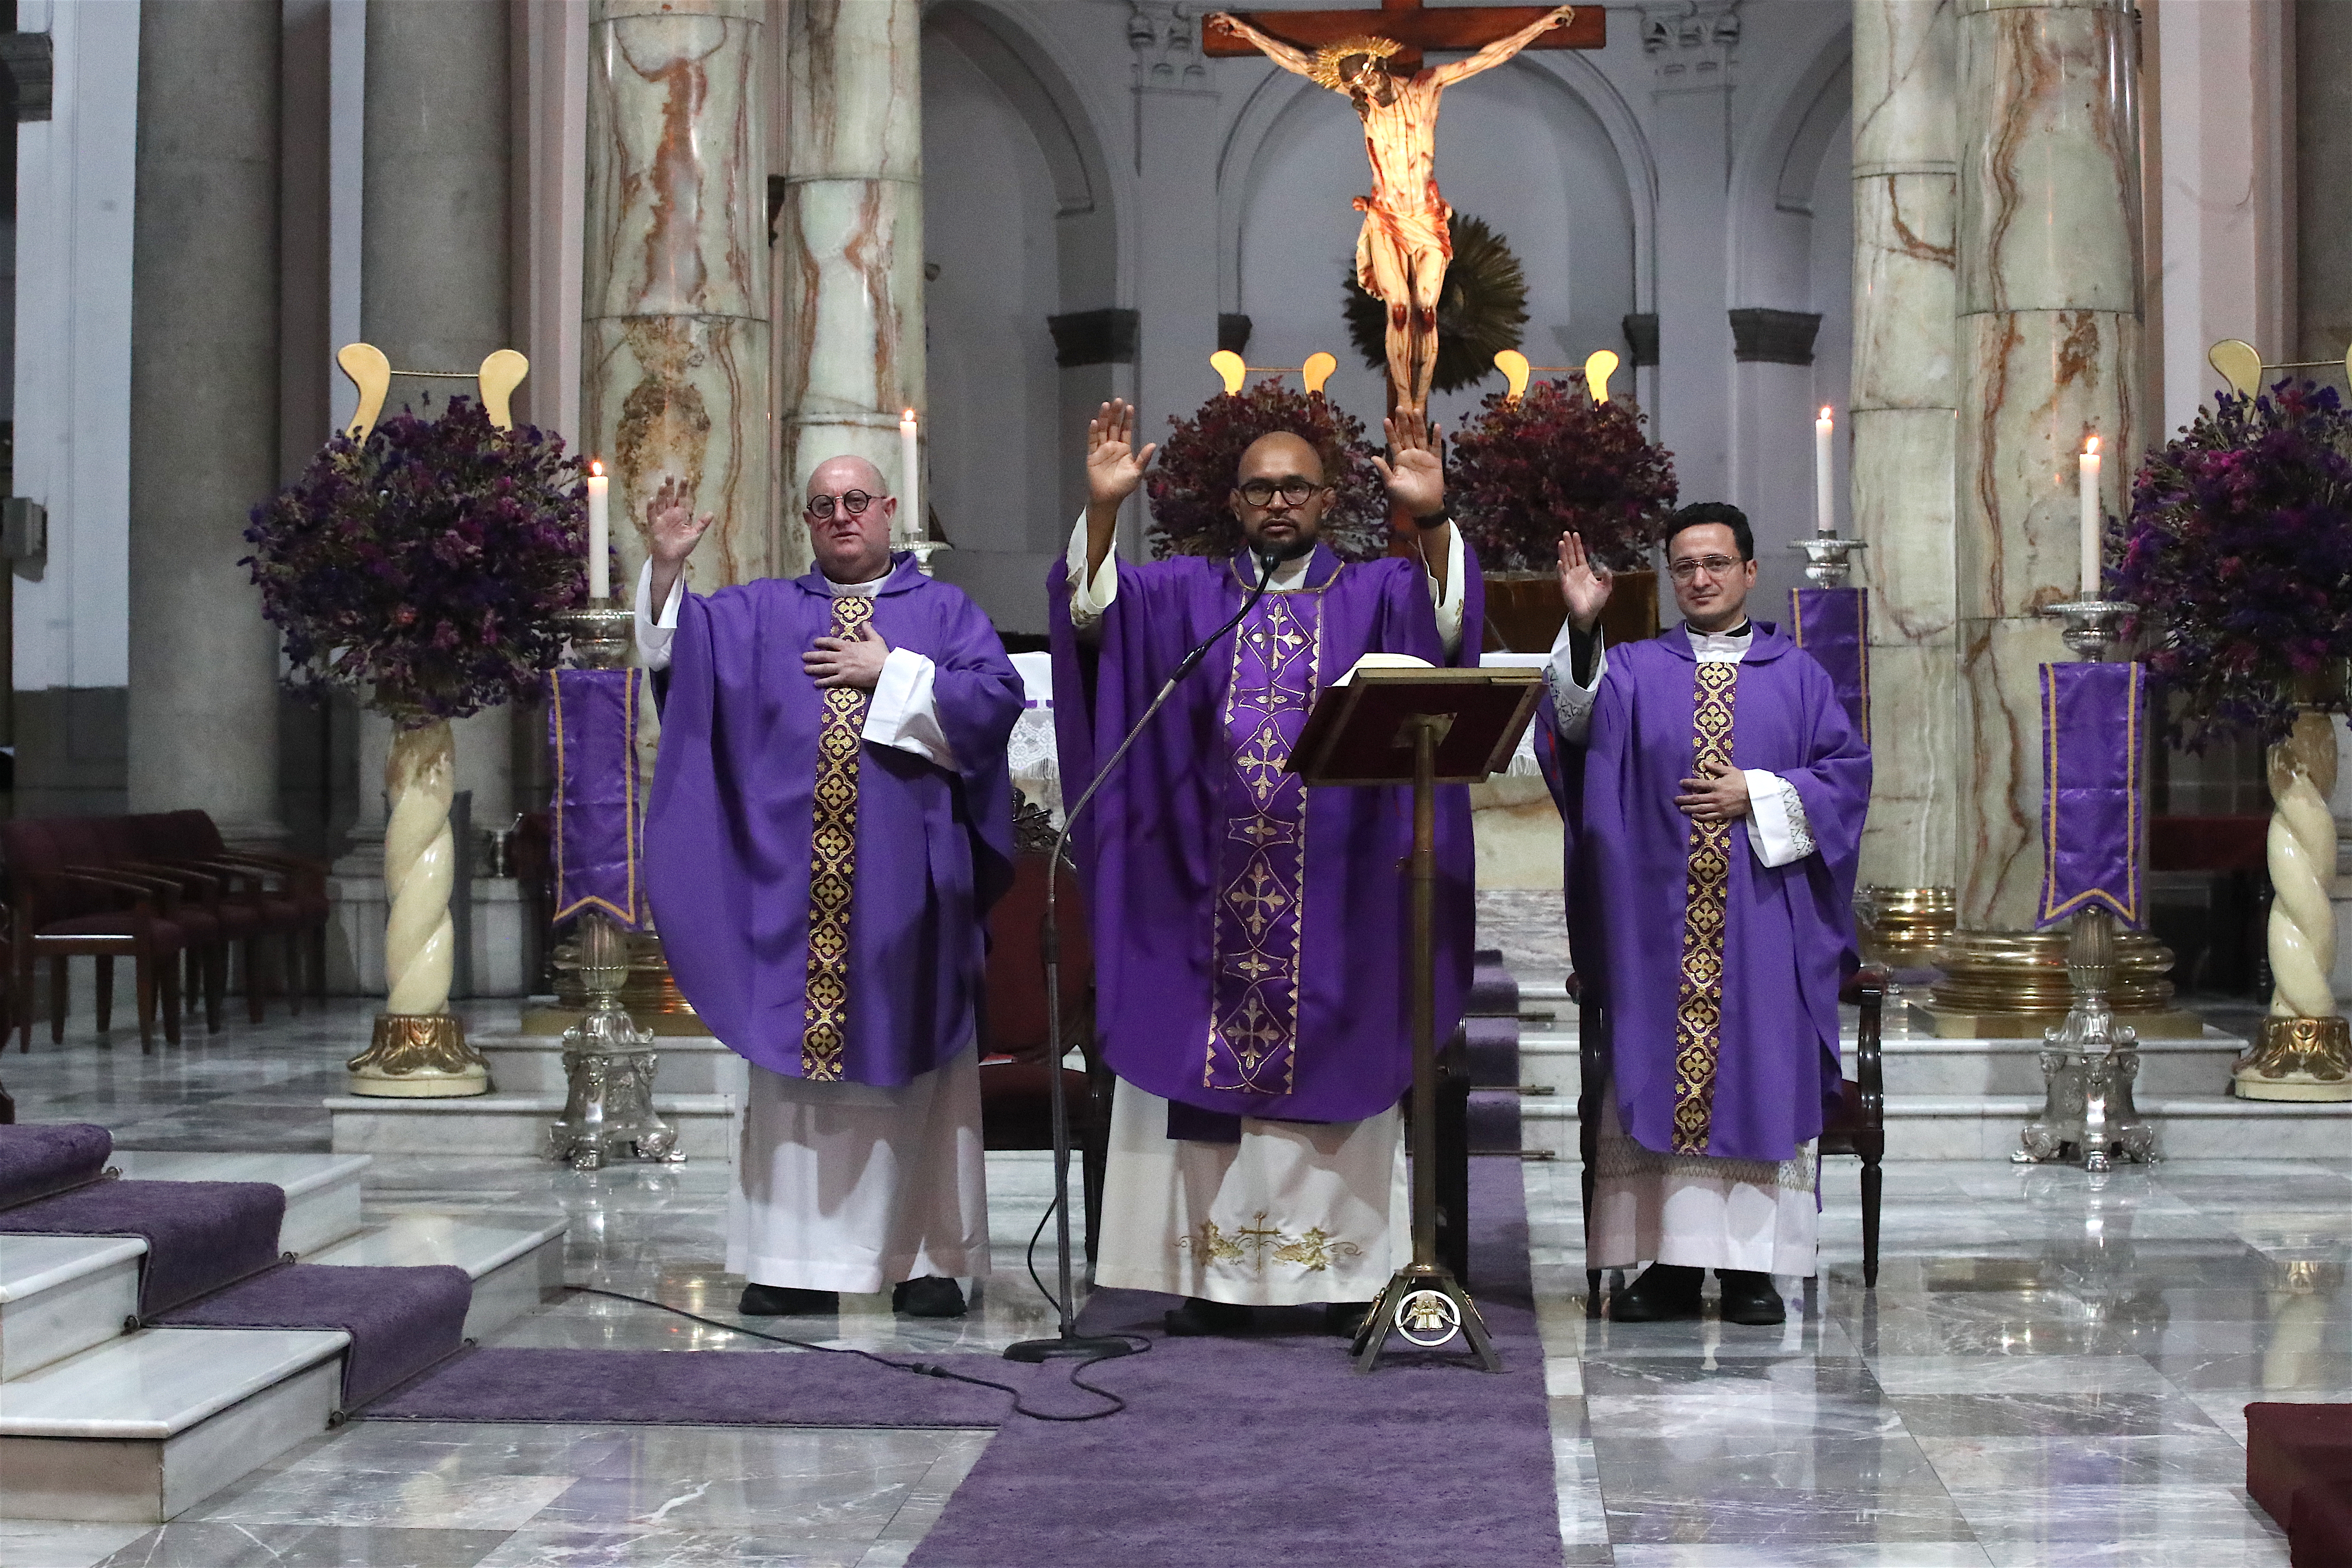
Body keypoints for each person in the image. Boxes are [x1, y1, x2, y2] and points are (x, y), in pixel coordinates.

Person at [1047, 398, 1483, 1336]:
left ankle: (1334, 1280)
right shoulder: (1184, 594)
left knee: (1339, 1063)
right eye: (1259, 489)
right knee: (1200, 1070)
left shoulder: (1377, 594)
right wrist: (1103, 512)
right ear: (1234, 503)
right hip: (1202, 895)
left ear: (1329, 500)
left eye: (1295, 487)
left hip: (1341, 898)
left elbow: (1449, 630)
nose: (1277, 503)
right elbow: (1092, 620)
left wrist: (1435, 517)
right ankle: (1210, 1283)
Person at [639, 459, 1023, 1320]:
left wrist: (892, 673)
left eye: (858, 503)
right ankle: (791, 1263)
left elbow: (995, 704)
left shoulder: (944, 612)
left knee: (918, 1075)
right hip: (792, 895)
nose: (843, 517)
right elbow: (679, 654)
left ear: (890, 512)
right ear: (806, 520)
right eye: (824, 506)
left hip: (910, 897)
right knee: (793, 1086)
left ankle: (924, 1259)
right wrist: (666, 572)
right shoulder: (762, 613)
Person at [1541, 502, 1870, 1326]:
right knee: (1658, 1074)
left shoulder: (1797, 676)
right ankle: (1670, 1267)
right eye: (1684, 565)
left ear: (1749, 572)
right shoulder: (1633, 671)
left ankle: (1755, 1271)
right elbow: (1571, 732)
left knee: (1761, 1075)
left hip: (1766, 926)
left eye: (1716, 563)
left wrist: (1759, 791)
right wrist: (1584, 630)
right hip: (1657, 926)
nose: (1700, 578)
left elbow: (1846, 779)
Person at [1205, 6, 1576, 411]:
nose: (1365, 86)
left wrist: (1540, 26)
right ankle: (1404, 404)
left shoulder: (1426, 86)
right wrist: (1247, 33)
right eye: (1356, 84)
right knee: (1398, 309)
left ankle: (1418, 401)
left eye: (1367, 74)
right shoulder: (1361, 99)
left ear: (1377, 62)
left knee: (1428, 312)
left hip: (1427, 218)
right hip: (1385, 218)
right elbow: (1298, 62)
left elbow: (1488, 57)